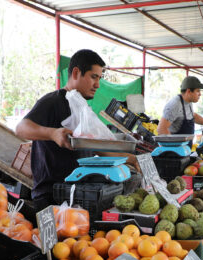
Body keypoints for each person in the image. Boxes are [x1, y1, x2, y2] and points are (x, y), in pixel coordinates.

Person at [16, 49, 136, 209]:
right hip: (52, 197)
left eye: (99, 78)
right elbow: (21, 128)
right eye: (94, 77)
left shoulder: (82, 107)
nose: (97, 85)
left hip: (78, 194)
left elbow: (96, 147)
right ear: (76, 72)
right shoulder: (52, 102)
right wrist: (52, 133)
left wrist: (129, 158)